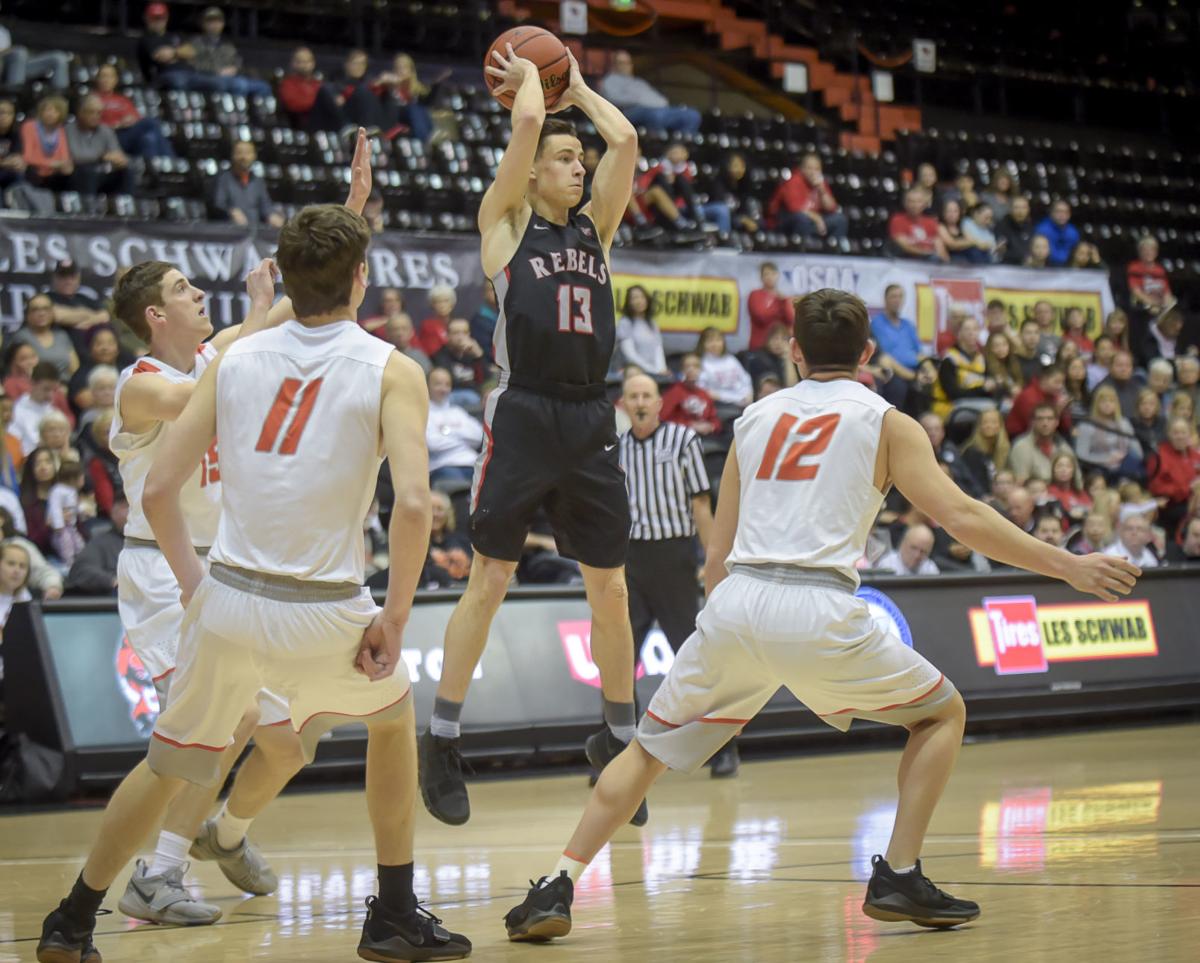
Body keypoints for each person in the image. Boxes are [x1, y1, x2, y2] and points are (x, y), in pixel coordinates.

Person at [500, 288, 1138, 942]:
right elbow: (963, 517)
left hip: (738, 601)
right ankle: (900, 869)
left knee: (644, 752)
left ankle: (557, 882)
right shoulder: (888, 421)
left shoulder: (752, 417)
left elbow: (715, 555)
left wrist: (732, 644)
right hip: (818, 603)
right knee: (941, 712)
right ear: (868, 353)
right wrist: (1067, 564)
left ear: (794, 349)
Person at [37, 197, 472, 963]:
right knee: (393, 720)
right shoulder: (392, 367)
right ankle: (394, 911)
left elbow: (161, 489)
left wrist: (199, 591)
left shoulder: (234, 360)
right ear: (363, 278)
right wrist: (394, 619)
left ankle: (71, 920)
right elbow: (411, 504)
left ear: (288, 280)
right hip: (323, 604)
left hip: (227, 596)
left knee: (173, 756)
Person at [418, 47, 642, 828]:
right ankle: (441, 737)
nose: (578, 167)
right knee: (490, 577)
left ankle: (617, 736)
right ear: (534, 170)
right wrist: (534, 102)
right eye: (563, 158)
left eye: (580, 159)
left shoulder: (599, 230)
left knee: (610, 586)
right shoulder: (505, 225)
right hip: (523, 415)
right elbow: (523, 131)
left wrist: (578, 89)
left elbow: (629, 144)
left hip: (590, 417)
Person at [618, 375, 724, 773]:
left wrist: (712, 560)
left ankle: (720, 747)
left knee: (692, 655)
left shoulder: (683, 441)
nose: (641, 402)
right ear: (623, 405)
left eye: (646, 395)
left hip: (675, 557)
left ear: (660, 402)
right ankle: (617, 749)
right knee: (619, 658)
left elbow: (701, 505)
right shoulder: (616, 450)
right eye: (633, 396)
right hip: (631, 560)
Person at [600, 49, 701, 133]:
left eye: (628, 62)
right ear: (614, 65)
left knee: (692, 115)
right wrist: (638, 100)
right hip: (630, 112)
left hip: (657, 109)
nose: (625, 66)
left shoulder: (639, 82)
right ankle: (658, 146)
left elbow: (662, 100)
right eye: (621, 63)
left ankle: (679, 148)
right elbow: (612, 99)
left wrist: (652, 102)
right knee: (656, 115)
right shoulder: (610, 80)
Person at [92, 63, 175, 160]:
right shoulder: (93, 99)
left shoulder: (123, 100)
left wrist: (131, 120)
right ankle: (172, 161)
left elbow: (136, 118)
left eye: (110, 76)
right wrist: (118, 124)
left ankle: (154, 171)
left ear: (116, 80)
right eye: (103, 76)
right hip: (112, 138)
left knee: (149, 139)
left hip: (130, 135)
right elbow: (92, 125)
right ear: (97, 79)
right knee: (151, 122)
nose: (106, 80)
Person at [190, 6, 273, 99]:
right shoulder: (196, 43)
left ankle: (258, 112)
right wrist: (217, 71)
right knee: (239, 84)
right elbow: (194, 65)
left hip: (232, 77)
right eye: (210, 21)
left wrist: (235, 69)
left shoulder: (227, 45)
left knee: (263, 87)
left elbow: (238, 62)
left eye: (218, 21)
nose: (215, 25)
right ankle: (233, 112)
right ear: (203, 24)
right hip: (208, 77)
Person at [66, 94, 135, 198]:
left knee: (127, 170)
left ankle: (125, 206)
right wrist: (102, 156)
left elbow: (116, 152)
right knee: (88, 173)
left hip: (102, 171)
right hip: (79, 173)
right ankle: (89, 209)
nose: (96, 116)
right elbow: (75, 155)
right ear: (80, 112)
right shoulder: (68, 130)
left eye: (99, 113)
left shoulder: (105, 130)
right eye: (91, 112)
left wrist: (120, 160)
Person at [767, 152, 848, 239]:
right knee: (802, 219)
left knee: (840, 220)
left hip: (812, 222)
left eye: (817, 169)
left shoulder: (821, 183)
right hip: (785, 221)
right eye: (809, 168)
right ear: (802, 169)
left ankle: (833, 250)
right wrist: (817, 218)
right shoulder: (793, 181)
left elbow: (832, 208)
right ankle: (802, 250)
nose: (813, 172)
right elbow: (794, 208)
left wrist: (822, 191)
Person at [426, 366, 484, 484]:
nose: (443, 389)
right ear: (427, 386)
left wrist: (446, 431)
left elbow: (478, 437)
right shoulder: (423, 414)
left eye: (447, 384)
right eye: (438, 384)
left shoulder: (458, 412)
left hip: (471, 462)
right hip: (443, 466)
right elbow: (432, 444)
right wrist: (463, 437)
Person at [1075, 385, 1144, 480]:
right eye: (1103, 401)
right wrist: (1105, 459)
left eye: (1111, 401)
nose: (1107, 404)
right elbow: (1081, 454)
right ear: (1096, 404)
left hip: (1124, 466)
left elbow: (1138, 451)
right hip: (1099, 469)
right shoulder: (1087, 426)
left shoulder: (1124, 423)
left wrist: (1123, 457)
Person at [45, 259, 112, 354]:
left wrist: (79, 321)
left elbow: (104, 316)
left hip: (92, 352)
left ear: (78, 278)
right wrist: (91, 317)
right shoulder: (47, 298)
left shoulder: (84, 298)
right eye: (63, 277)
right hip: (63, 352)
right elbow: (58, 316)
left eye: (72, 277)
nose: (68, 281)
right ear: (55, 278)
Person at [213, 140, 284, 228]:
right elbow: (218, 205)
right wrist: (231, 211)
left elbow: (266, 206)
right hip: (230, 230)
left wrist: (272, 216)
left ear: (254, 156)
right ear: (233, 155)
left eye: (247, 153)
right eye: (239, 153)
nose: (243, 157)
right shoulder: (223, 179)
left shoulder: (258, 182)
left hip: (255, 230)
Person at [65, 495, 127, 595]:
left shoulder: (158, 541)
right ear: (114, 512)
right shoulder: (102, 543)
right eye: (127, 506)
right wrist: (113, 581)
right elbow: (80, 571)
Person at [1148, 417, 1200, 536]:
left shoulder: (1195, 455)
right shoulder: (1159, 456)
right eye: (1176, 432)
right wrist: (1187, 488)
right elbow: (1156, 488)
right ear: (1169, 434)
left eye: (1183, 432)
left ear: (1189, 434)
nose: (1180, 436)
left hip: (1195, 501)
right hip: (1171, 505)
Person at [870, 284, 922, 402]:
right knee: (898, 386)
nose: (897, 300)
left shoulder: (908, 325)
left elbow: (919, 353)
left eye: (900, 296)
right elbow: (884, 358)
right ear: (885, 300)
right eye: (893, 296)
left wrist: (929, 369)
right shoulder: (877, 324)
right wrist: (912, 376)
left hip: (914, 370)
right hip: (894, 372)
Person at [932, 317, 992, 419]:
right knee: (990, 412)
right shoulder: (949, 360)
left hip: (975, 403)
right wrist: (982, 389)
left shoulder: (982, 358)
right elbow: (954, 394)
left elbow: (989, 388)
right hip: (950, 408)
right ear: (959, 334)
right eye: (967, 329)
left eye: (975, 329)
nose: (971, 333)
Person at [278, 46, 347, 133]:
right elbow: (294, 105)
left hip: (325, 119)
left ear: (313, 63)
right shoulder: (287, 84)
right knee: (325, 91)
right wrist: (323, 100)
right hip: (304, 123)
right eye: (300, 61)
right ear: (293, 63)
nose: (304, 65)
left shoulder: (317, 82)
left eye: (307, 61)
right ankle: (345, 127)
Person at [10, 294, 79, 381]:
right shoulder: (21, 338)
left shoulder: (62, 335)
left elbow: (75, 368)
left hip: (67, 386)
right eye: (35, 310)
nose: (41, 313)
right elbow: (18, 372)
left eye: (45, 309)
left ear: (52, 312)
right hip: (37, 387)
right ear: (28, 315)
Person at [376, 53, 441, 143]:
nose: (401, 71)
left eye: (404, 68)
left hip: (412, 125)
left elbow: (427, 103)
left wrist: (436, 86)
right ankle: (423, 140)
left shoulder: (416, 88)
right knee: (413, 108)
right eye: (398, 68)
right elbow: (374, 90)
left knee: (420, 109)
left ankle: (427, 137)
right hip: (395, 120)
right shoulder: (389, 85)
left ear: (411, 70)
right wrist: (382, 81)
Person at [12, 362, 73, 455]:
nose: (50, 395)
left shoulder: (53, 412)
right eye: (46, 389)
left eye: (54, 390)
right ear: (33, 383)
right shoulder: (16, 412)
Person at [1010, 403, 1076, 484]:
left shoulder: (1064, 447)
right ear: (1032, 422)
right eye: (1040, 419)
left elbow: (1077, 480)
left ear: (1057, 422)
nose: (1045, 423)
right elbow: (1020, 483)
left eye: (1050, 419)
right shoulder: (1021, 447)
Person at [953, 406, 1010, 499]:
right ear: (979, 426)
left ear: (1000, 425)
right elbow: (973, 483)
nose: (989, 426)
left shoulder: (1002, 449)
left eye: (994, 422)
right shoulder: (972, 452)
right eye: (985, 422)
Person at [20, 95, 73, 192]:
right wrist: (50, 164)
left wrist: (65, 165)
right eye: (47, 110)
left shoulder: (60, 130)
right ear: (41, 112)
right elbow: (27, 157)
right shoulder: (29, 126)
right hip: (35, 170)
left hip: (54, 172)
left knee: (73, 173)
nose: (50, 114)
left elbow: (64, 156)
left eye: (55, 111)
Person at [431, 319, 490, 406]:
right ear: (447, 336)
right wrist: (474, 387)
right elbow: (450, 383)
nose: (460, 337)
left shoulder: (473, 352)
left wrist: (479, 356)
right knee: (470, 397)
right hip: (451, 396)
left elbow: (486, 379)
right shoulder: (441, 356)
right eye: (456, 333)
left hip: (475, 396)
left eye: (464, 332)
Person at [612, 285, 667, 376]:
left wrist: (661, 369)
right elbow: (630, 355)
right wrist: (653, 371)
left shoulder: (652, 323)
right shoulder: (625, 323)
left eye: (642, 297)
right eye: (635, 298)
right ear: (629, 302)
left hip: (655, 373)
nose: (639, 301)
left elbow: (658, 349)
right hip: (632, 372)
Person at [660, 352, 719, 436]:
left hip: (704, 436)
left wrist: (711, 426)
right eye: (687, 366)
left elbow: (714, 419)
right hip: (681, 436)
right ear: (682, 370)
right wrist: (690, 425)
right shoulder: (674, 391)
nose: (691, 369)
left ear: (701, 369)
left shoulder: (704, 394)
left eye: (695, 366)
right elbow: (663, 418)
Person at [697, 326, 753, 414]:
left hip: (744, 401)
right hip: (721, 405)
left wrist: (749, 394)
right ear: (702, 344)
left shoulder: (731, 359)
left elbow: (745, 378)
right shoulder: (702, 363)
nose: (715, 344)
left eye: (718, 340)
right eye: (710, 341)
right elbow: (700, 389)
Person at [1006, 365, 1070, 438]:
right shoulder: (1028, 396)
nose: (1060, 386)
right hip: (1021, 435)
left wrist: (1064, 411)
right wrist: (1057, 411)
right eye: (1057, 382)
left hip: (1047, 433)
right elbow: (1036, 428)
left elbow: (1066, 427)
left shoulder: (1054, 394)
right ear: (1044, 380)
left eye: (1062, 382)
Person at [888, 188, 946, 261]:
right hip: (908, 262)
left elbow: (940, 247)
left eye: (919, 201)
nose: (915, 205)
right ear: (905, 203)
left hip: (932, 263)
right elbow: (905, 247)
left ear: (924, 204)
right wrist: (928, 253)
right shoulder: (897, 220)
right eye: (911, 201)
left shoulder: (931, 222)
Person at [747, 261, 794, 351]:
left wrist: (784, 302)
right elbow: (760, 317)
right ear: (761, 277)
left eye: (773, 273)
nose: (770, 277)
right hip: (759, 346)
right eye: (766, 274)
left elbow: (790, 320)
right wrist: (779, 304)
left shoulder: (783, 298)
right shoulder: (755, 294)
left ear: (777, 275)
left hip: (779, 347)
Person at [1127, 235, 1172, 318]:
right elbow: (1136, 292)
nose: (1148, 252)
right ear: (1139, 252)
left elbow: (1166, 292)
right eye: (1145, 250)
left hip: (1159, 307)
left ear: (1156, 252)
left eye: (1152, 249)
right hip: (1143, 309)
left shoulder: (1160, 270)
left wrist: (1167, 307)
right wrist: (1154, 304)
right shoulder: (1134, 267)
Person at [1047, 451, 1092, 524]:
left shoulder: (1080, 492)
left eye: (1068, 466)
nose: (1063, 470)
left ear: (1073, 470)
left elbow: (1090, 509)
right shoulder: (1049, 491)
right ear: (1053, 470)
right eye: (1059, 466)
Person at [939, 199, 988, 264]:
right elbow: (952, 244)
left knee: (982, 253)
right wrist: (972, 242)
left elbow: (971, 239)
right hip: (953, 258)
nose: (952, 214)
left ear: (959, 213)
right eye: (949, 211)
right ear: (943, 213)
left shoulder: (962, 225)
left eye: (955, 211)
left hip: (966, 256)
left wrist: (973, 242)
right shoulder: (941, 226)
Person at [1099, 349, 1143, 419]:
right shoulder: (1102, 389)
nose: (1124, 369)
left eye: (1128, 365)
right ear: (1110, 367)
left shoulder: (1137, 386)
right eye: (1119, 365)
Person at [415, 283, 456, 357]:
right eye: (438, 302)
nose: (442, 305)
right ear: (432, 305)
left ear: (452, 303)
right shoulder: (427, 326)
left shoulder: (458, 325)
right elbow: (427, 350)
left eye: (446, 301)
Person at [1035, 200, 1080, 267]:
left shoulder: (1073, 232)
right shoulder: (1042, 230)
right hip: (1046, 267)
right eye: (1058, 211)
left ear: (1069, 214)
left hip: (1068, 268)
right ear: (1051, 213)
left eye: (1065, 212)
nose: (1062, 215)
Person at [997, 194, 1034, 265]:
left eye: (1023, 208)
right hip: (1007, 267)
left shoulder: (1031, 227)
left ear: (1028, 209)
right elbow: (1001, 251)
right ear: (1010, 209)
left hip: (1028, 267)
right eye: (1016, 207)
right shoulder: (1002, 226)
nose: (1020, 211)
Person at [470, 282, 499, 361]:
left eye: (499, 288)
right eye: (492, 290)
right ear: (485, 294)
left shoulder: (510, 315)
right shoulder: (479, 320)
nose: (496, 292)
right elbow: (484, 349)